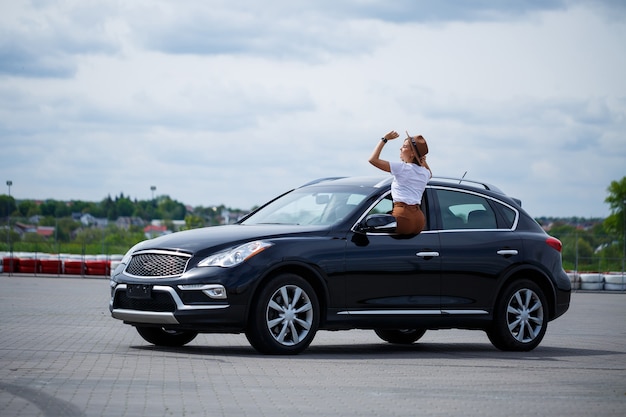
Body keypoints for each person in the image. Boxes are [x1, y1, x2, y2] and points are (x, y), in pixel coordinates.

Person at [368, 130, 432, 235]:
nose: (400, 148)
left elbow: (373, 160)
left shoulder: (402, 168)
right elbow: (430, 173)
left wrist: (384, 139)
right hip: (419, 220)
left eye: (404, 146)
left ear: (412, 154)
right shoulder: (424, 173)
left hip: (403, 216)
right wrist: (423, 160)